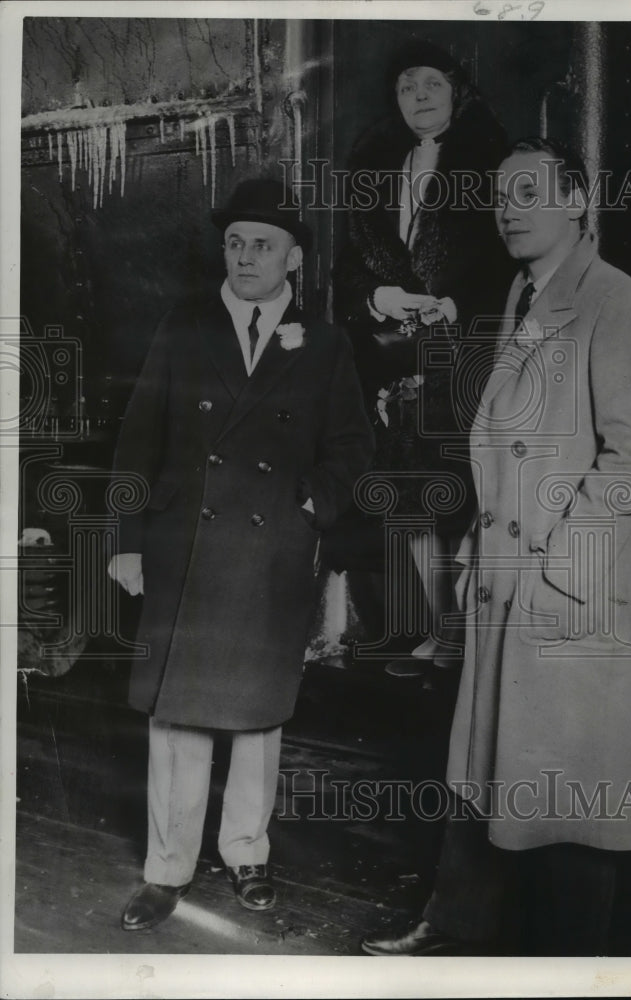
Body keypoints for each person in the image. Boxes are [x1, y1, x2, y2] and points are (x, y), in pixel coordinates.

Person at [361, 137, 631, 956]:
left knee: (570, 791)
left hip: (571, 595)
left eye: (529, 192)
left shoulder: (616, 302)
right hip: (513, 579)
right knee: (489, 767)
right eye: (500, 194)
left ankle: (565, 966)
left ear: (576, 201)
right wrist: (478, 550)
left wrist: (554, 562)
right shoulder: (525, 295)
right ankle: (454, 925)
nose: (508, 208)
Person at [108, 177, 374, 931]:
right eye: (234, 241)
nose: (245, 255)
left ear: (293, 259)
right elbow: (136, 442)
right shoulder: (183, 326)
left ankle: (248, 851)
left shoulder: (323, 342)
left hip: (272, 552)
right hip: (183, 547)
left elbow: (354, 448)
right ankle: (166, 869)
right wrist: (125, 544)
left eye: (263, 243)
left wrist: (312, 501)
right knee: (177, 716)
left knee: (258, 717)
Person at [333, 39, 510, 678]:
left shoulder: (495, 158)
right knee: (408, 495)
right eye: (407, 88)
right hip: (391, 355)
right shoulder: (377, 163)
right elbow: (349, 266)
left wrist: (455, 306)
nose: (419, 98)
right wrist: (378, 296)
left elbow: (509, 260)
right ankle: (436, 627)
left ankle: (466, 633)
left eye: (431, 85)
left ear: (456, 90)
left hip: (466, 353)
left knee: (462, 494)